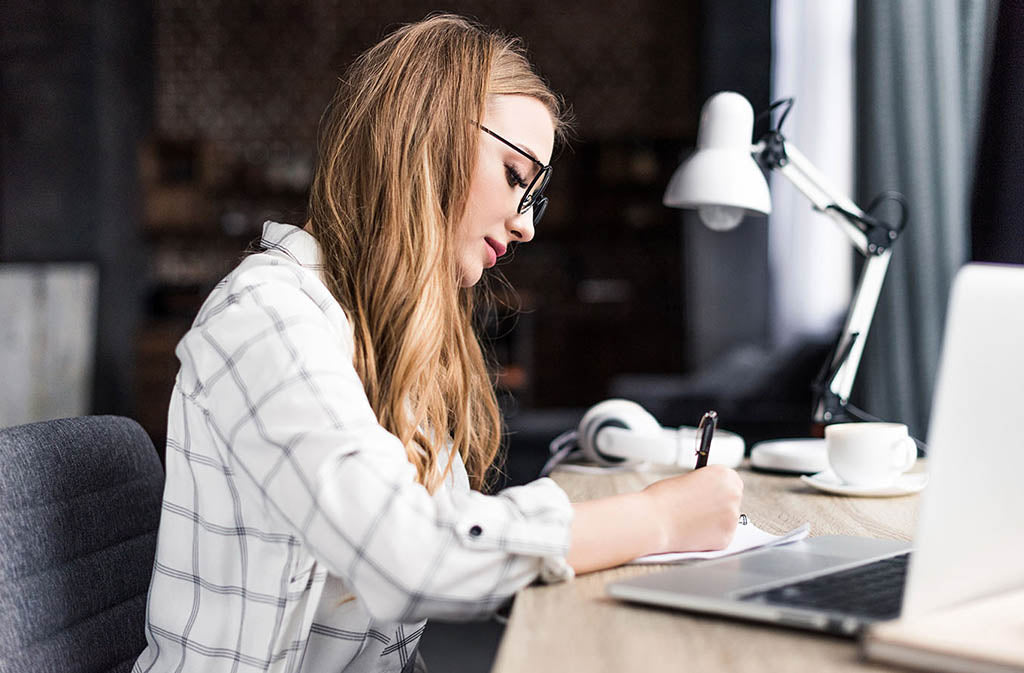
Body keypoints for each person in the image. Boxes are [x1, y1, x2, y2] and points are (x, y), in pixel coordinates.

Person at [134, 14, 743, 673]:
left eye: (536, 195)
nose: (526, 224)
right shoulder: (266, 315)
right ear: (425, 135)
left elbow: (436, 573)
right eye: (516, 175)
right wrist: (656, 520)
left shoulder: (391, 337)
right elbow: (414, 557)